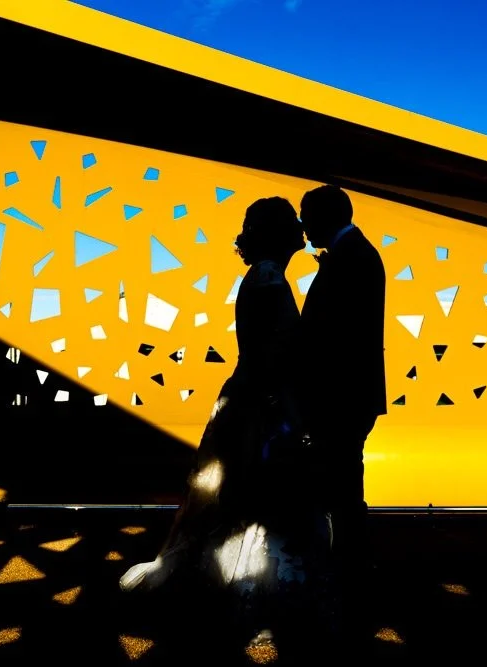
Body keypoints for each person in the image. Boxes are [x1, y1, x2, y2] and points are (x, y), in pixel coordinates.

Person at [119, 196, 334, 645]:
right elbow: (274, 352)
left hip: (249, 396)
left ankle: (236, 585)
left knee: (244, 498)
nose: (300, 231)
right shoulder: (270, 277)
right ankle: (251, 594)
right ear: (280, 234)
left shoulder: (260, 275)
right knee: (261, 499)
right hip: (264, 402)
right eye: (292, 224)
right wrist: (286, 405)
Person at [295, 185, 388, 646]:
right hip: (348, 395)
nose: (303, 225)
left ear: (326, 215)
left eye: (306, 215)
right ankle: (351, 572)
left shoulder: (353, 257)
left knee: (342, 488)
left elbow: (337, 337)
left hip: (342, 395)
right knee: (342, 484)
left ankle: (351, 579)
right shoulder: (354, 252)